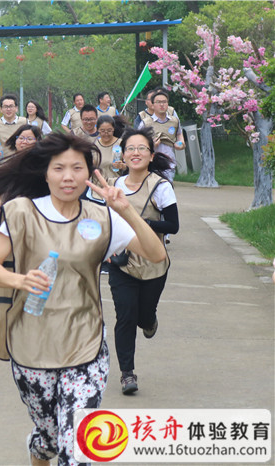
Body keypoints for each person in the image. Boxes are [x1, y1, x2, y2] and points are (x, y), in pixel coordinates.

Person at [0, 132, 166, 466]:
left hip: (85, 344)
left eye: (77, 168)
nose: (68, 177)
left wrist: (126, 211)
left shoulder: (102, 217)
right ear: (45, 173)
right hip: (31, 343)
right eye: (59, 168)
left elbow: (156, 255)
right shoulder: (21, 212)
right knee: (50, 437)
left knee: (75, 448)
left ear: (89, 173)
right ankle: (40, 447)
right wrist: (21, 280)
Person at [106, 127, 179, 395]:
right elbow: (103, 220)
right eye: (130, 149)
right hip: (121, 263)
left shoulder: (160, 187)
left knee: (143, 316)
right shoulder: (114, 186)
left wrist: (142, 224)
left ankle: (149, 320)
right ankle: (127, 374)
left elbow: (173, 225)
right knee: (125, 315)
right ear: (123, 155)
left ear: (151, 155)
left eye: (141, 149)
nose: (135, 153)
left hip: (154, 263)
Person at [138, 90, 185, 181]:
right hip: (151, 165)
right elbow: (138, 143)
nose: (162, 105)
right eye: (158, 102)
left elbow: (179, 134)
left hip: (169, 165)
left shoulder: (174, 121)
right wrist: (151, 145)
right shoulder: (145, 123)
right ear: (153, 105)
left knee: (167, 188)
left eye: (164, 102)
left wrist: (181, 144)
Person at [0, 94, 29, 161]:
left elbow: (32, 140)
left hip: (21, 161)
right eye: (5, 107)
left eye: (11, 106)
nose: (8, 109)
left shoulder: (25, 122)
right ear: (1, 109)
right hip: (2, 162)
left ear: (16, 108)